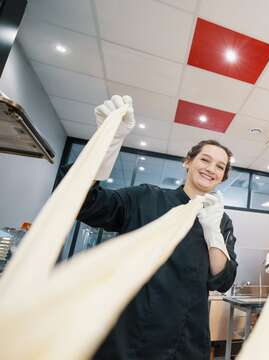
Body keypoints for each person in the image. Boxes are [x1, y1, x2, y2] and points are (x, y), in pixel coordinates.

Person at [63, 95, 238, 359]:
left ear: (222, 178)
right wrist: (107, 142)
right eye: (204, 159)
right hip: (132, 338)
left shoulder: (221, 221)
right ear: (187, 162)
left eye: (220, 166)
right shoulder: (146, 198)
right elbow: (85, 203)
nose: (211, 168)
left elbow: (223, 280)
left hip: (187, 341)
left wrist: (213, 231)